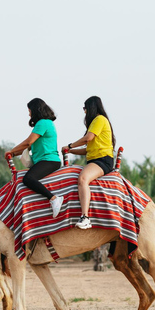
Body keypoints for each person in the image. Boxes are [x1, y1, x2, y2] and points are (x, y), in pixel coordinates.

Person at [63, 95, 116, 229]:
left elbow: (87, 138)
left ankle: (85, 217)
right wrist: (71, 151)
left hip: (102, 161)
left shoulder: (99, 119)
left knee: (83, 179)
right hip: (95, 159)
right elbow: (88, 149)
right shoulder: (97, 122)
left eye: (84, 108)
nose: (84, 112)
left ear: (90, 108)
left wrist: (70, 146)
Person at [6, 98, 64, 217]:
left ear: (35, 110)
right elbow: (28, 147)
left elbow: (28, 143)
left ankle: (53, 199)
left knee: (28, 179)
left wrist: (11, 151)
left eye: (29, 110)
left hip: (49, 161)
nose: (29, 114)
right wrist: (12, 154)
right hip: (46, 160)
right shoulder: (44, 124)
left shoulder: (43, 123)